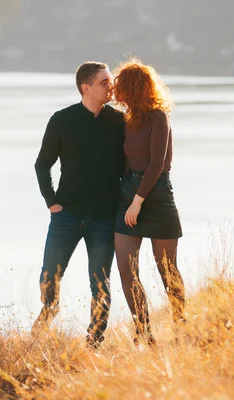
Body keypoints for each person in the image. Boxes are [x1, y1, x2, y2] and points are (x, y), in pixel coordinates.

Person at [33, 61, 125, 348]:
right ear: (86, 87)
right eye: (104, 82)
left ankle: (94, 341)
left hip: (104, 217)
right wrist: (52, 203)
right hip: (67, 215)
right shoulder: (62, 120)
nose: (111, 87)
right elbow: (42, 165)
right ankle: (49, 311)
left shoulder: (119, 121)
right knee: (49, 275)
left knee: (101, 284)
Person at [112, 58, 185, 345]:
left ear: (133, 88)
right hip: (127, 193)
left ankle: (181, 325)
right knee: (126, 269)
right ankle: (144, 332)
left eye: (120, 86)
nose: (115, 91)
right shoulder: (125, 120)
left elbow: (156, 165)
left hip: (156, 195)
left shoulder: (159, 116)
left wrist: (138, 202)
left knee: (167, 269)